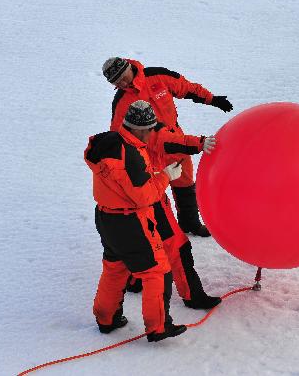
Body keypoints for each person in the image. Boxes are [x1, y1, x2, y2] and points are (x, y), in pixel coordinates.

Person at [84, 102, 187, 342]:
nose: (152, 134)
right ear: (140, 129)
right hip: (131, 221)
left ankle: (106, 319)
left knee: (115, 268)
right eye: (150, 129)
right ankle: (158, 327)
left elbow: (127, 183)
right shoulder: (129, 154)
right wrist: (165, 176)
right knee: (157, 271)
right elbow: (145, 196)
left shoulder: (110, 143)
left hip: (107, 218)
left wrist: (153, 176)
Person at [102, 57, 233, 237]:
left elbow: (186, 87)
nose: (123, 83)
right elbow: (117, 134)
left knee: (185, 185)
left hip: (177, 143)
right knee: (153, 193)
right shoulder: (121, 102)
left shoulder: (157, 76)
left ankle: (190, 224)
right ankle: (158, 233)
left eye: (123, 77)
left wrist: (212, 99)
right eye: (117, 82)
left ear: (128, 67)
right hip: (149, 152)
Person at [122, 101, 222, 310]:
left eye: (151, 129)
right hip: (150, 201)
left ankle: (133, 281)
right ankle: (192, 296)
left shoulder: (119, 137)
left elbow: (175, 141)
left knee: (141, 243)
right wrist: (200, 144)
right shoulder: (147, 139)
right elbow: (174, 142)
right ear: (135, 128)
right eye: (146, 130)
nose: (150, 134)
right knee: (179, 247)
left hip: (124, 209)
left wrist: (199, 143)